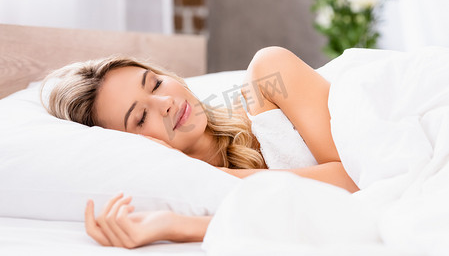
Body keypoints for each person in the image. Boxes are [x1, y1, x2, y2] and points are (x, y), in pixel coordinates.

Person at [42, 46, 358, 248]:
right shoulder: (187, 195)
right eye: (140, 117)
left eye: (155, 83)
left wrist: (220, 176)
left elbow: (356, 181)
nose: (165, 102)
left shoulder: (267, 77)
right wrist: (178, 225)